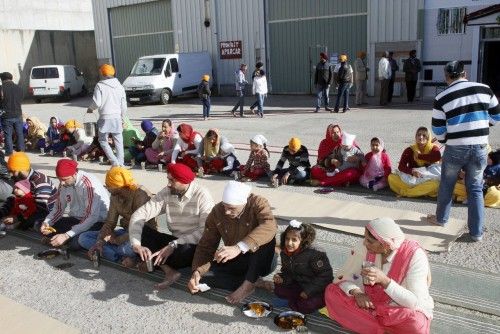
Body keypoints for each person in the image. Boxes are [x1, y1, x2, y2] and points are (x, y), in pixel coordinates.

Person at [428, 61, 499, 241]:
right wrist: (484, 125)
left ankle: (441, 219)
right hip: (480, 147)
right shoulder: (485, 89)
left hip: (455, 148)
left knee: (447, 184)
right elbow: (497, 116)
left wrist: (446, 140)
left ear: (446, 77)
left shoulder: (442, 97)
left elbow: (437, 128)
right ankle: (476, 233)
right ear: (464, 73)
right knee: (475, 188)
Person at [324, 217, 433, 334]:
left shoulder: (414, 256)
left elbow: (414, 303)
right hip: (369, 303)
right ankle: (381, 329)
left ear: (385, 244)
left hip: (396, 308)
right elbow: (346, 277)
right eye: (365, 238)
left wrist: (385, 281)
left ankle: (370, 326)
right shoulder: (363, 246)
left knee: (416, 323)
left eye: (370, 241)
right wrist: (356, 292)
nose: (364, 243)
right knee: (332, 292)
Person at [188, 180, 278, 304]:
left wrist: (239, 247)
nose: (226, 211)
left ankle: (248, 284)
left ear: (244, 203)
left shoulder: (258, 203)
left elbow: (270, 226)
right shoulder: (218, 211)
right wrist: (197, 271)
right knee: (203, 278)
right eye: (225, 206)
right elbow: (206, 245)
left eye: (231, 208)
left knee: (265, 240)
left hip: (262, 260)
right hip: (237, 260)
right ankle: (254, 282)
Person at [129, 163, 214, 289]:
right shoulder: (167, 192)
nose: (168, 184)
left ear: (184, 181)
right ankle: (168, 270)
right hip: (173, 242)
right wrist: (136, 245)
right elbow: (139, 215)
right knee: (142, 232)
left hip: (192, 245)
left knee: (184, 250)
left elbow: (204, 232)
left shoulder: (202, 195)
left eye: (172, 180)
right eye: (168, 179)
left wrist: (173, 245)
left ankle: (152, 262)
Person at [78, 167, 158, 267]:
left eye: (109, 185)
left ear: (118, 186)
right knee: (83, 238)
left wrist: (117, 240)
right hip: (125, 232)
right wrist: (100, 241)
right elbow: (110, 222)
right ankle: (119, 257)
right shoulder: (114, 196)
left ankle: (117, 255)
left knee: (128, 249)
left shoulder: (140, 194)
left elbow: (142, 226)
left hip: (143, 235)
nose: (106, 188)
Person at [40, 159, 109, 249]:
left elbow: (91, 216)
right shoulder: (64, 183)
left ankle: (63, 240)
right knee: (40, 225)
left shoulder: (89, 185)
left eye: (64, 179)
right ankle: (60, 239)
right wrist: (47, 223)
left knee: (75, 243)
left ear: (74, 174)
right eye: (59, 179)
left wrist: (66, 235)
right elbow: (59, 209)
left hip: (97, 221)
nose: (61, 183)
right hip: (77, 219)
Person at [272, 220, 333, 314]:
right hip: (299, 283)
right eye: (287, 239)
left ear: (303, 240)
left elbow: (326, 276)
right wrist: (282, 278)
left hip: (316, 288)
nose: (289, 243)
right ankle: (296, 302)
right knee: (278, 289)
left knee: (308, 305)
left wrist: (308, 292)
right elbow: (287, 272)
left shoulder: (316, 253)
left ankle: (295, 302)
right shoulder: (285, 251)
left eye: (294, 240)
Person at [3, 152, 57, 229]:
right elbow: (13, 198)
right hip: (26, 208)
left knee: (32, 225)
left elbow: (42, 210)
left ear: (21, 169)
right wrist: (3, 212)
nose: (11, 174)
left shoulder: (40, 182)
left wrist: (18, 218)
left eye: (13, 171)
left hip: (46, 212)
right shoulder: (18, 178)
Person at [87, 64, 127, 166]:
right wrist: (123, 118)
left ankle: (114, 162)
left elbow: (97, 103)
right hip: (117, 117)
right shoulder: (120, 86)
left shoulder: (100, 85)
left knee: (102, 140)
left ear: (102, 73)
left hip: (105, 117)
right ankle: (121, 164)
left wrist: (90, 109)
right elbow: (124, 106)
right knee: (118, 140)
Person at [388, 127, 441, 198]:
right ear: (415, 137)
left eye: (424, 135)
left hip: (426, 178)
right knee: (391, 177)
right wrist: (412, 171)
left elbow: (437, 157)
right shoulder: (410, 150)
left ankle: (407, 192)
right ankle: (419, 191)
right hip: (412, 177)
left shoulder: (433, 148)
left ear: (428, 138)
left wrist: (419, 156)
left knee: (436, 184)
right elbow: (401, 166)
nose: (421, 137)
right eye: (418, 135)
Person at [0, 72, 25, 155]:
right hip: (18, 114)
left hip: (6, 115)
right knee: (19, 133)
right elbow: (21, 99)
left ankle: (9, 152)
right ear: (11, 78)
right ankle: (21, 150)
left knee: (8, 134)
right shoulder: (19, 88)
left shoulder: (1, 88)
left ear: (2, 79)